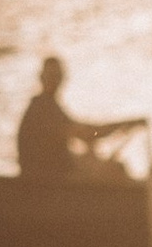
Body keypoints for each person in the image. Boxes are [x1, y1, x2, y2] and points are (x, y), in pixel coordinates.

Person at [15, 56, 144, 181]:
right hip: (46, 179)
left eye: (56, 76)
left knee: (97, 160)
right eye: (50, 76)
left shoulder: (47, 105)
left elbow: (83, 134)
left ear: (62, 78)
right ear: (41, 78)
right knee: (116, 169)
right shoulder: (43, 108)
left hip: (49, 173)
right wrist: (126, 124)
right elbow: (88, 134)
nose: (53, 80)